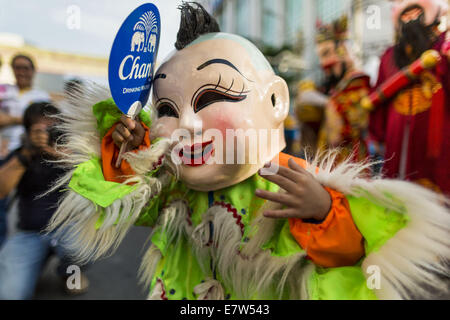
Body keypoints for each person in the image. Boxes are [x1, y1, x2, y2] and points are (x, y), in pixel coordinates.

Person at [47, 3, 449, 300]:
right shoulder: (174, 184)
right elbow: (134, 202)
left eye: (212, 96)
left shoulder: (288, 178)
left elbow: (347, 258)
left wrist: (323, 212)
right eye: (167, 110)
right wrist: (131, 158)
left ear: (276, 102)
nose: (186, 124)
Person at [0, 102, 88, 300]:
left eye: (52, 127)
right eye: (40, 129)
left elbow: (92, 178)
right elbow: (1, 190)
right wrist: (29, 151)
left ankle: (70, 273)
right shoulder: (21, 155)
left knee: (78, 246)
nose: (46, 133)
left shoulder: (72, 153)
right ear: (28, 131)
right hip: (29, 234)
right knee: (9, 294)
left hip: (68, 229)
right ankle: (33, 266)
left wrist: (52, 151)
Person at [369, 0, 449, 196]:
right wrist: (377, 133)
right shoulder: (389, 56)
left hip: (438, 143)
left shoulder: (444, 48)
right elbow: (378, 99)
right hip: (395, 141)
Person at [302, 16, 372, 163]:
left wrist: (327, 103)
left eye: (326, 54)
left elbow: (340, 133)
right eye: (321, 56)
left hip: (349, 163)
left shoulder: (357, 82)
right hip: (330, 162)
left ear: (343, 51)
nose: (323, 63)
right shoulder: (336, 87)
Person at [0, 54, 50, 249]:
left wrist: (9, 118)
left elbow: (44, 126)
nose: (21, 71)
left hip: (30, 155)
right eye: (17, 67)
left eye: (26, 68)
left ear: (33, 71)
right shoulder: (4, 90)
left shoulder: (41, 96)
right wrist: (24, 120)